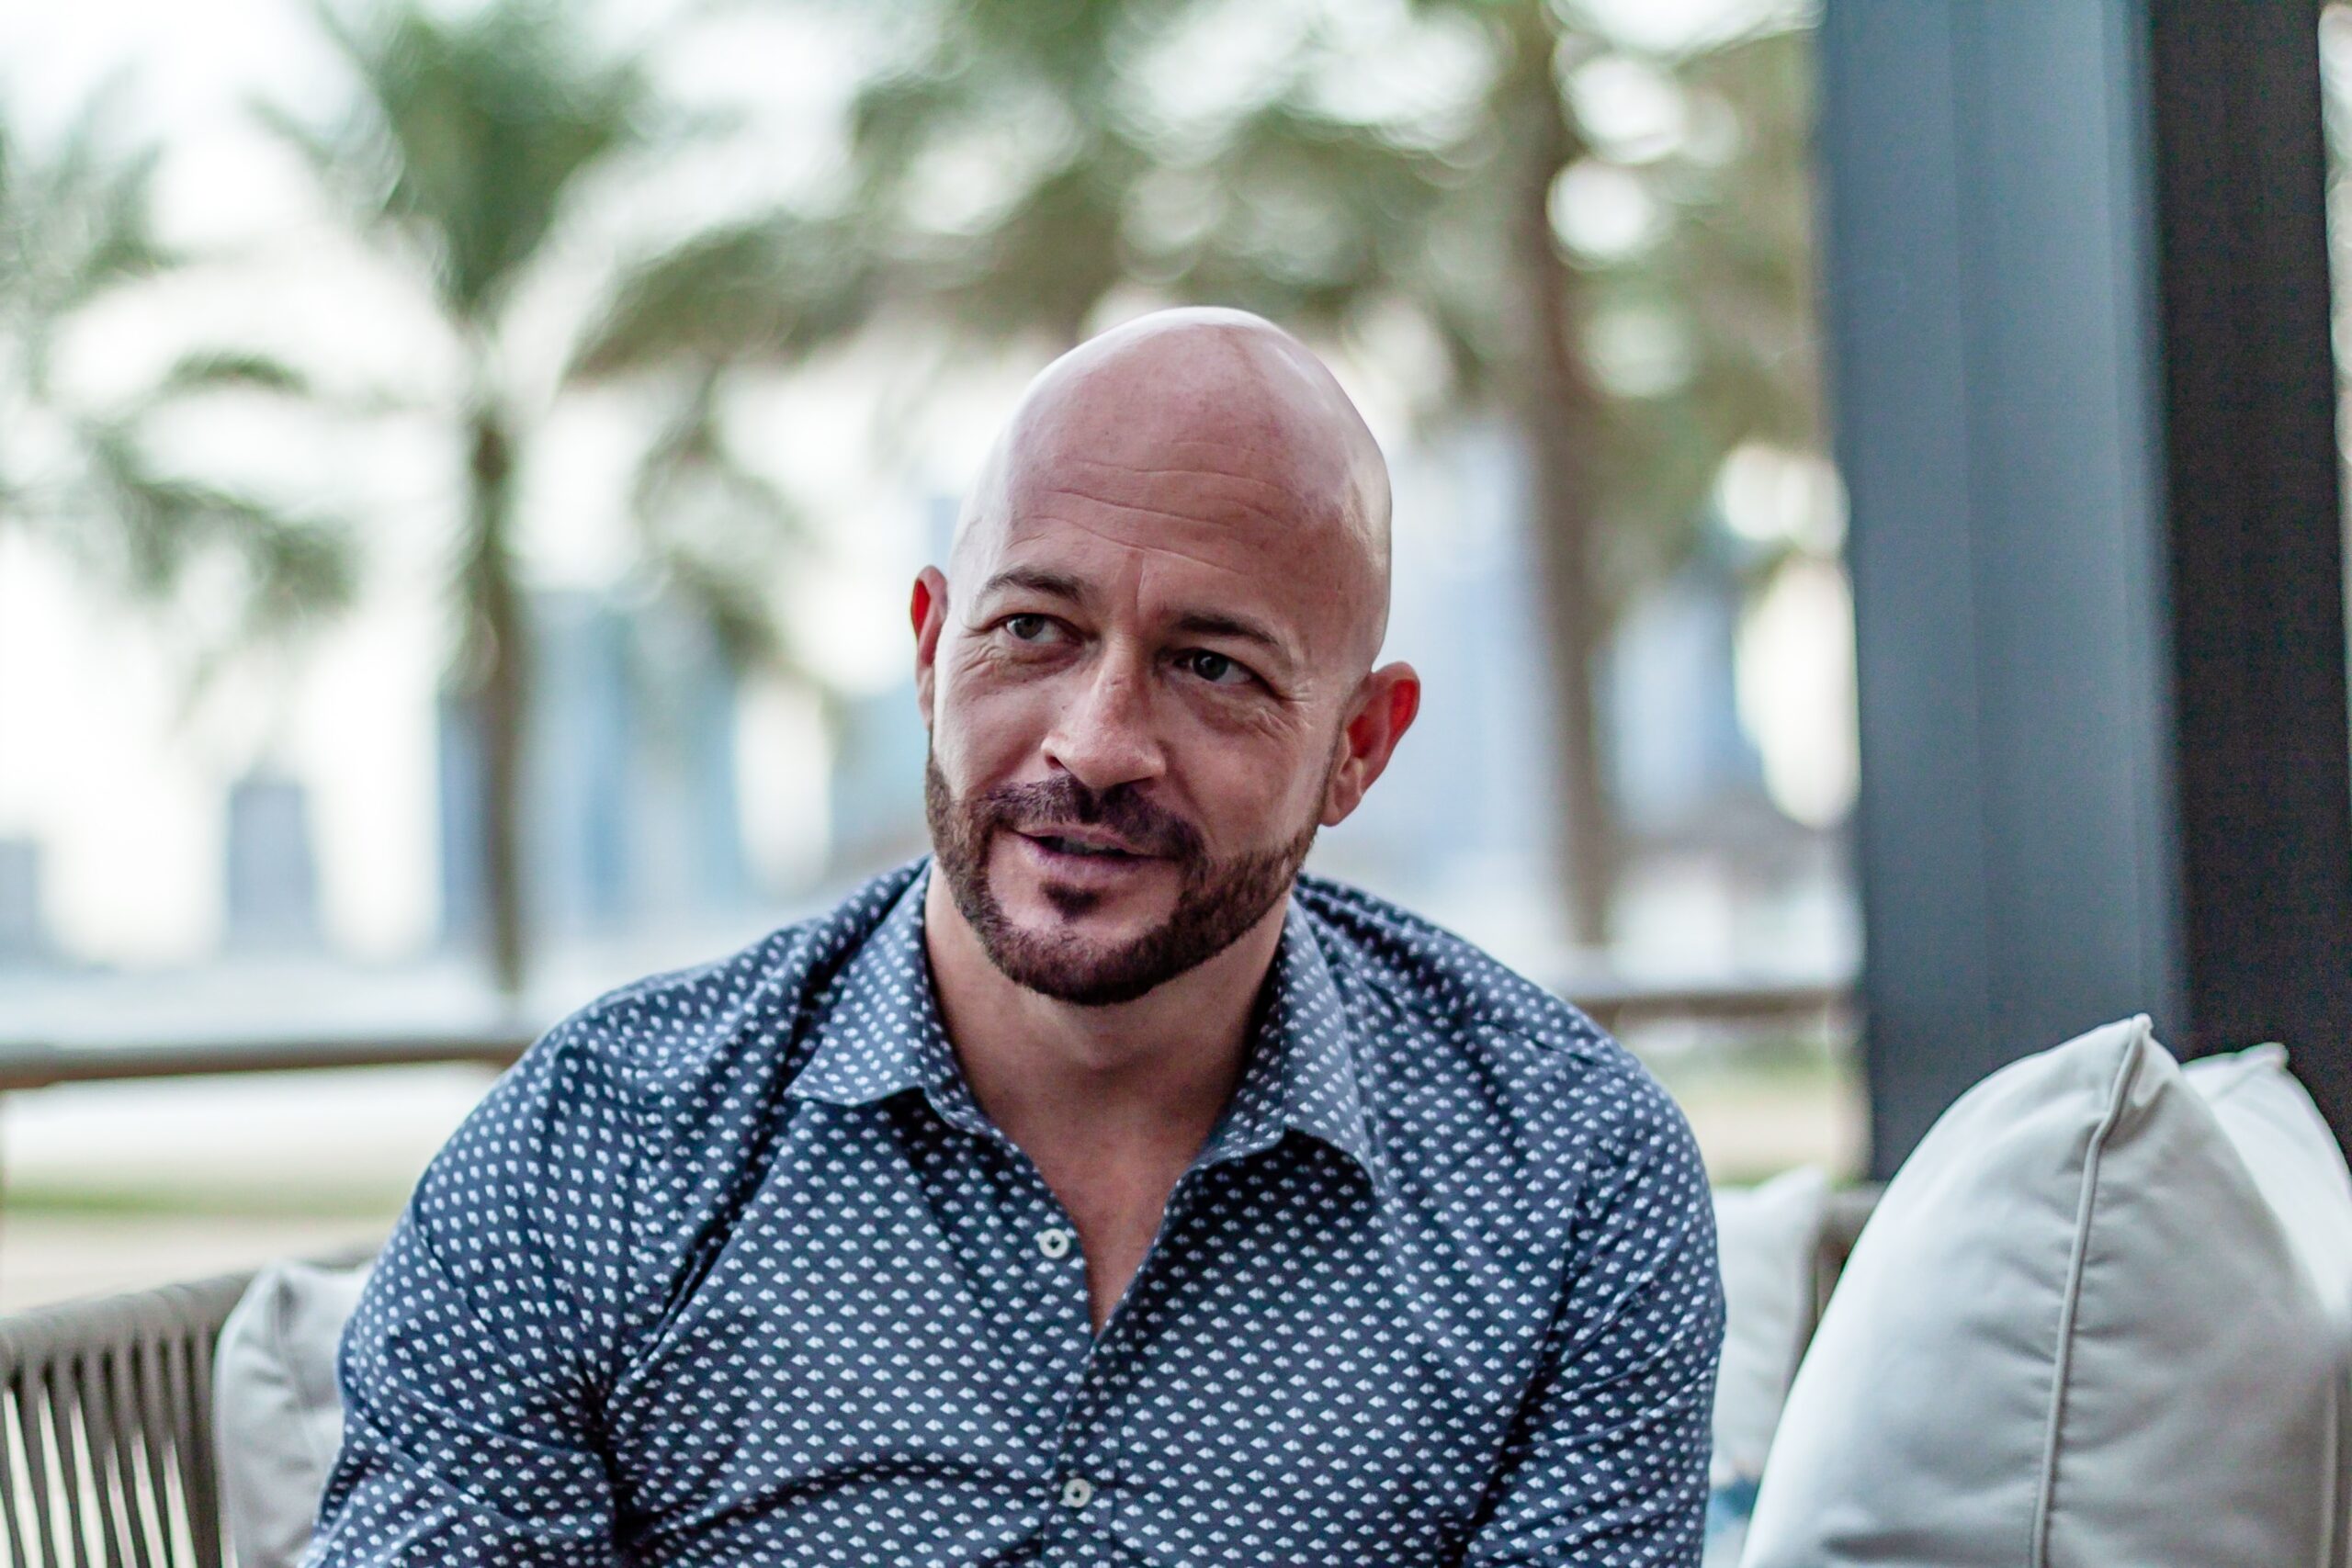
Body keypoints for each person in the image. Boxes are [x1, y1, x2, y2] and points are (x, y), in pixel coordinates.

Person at [307, 307, 1724, 1567]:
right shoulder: (599, 1150)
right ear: (931, 650)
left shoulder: (1569, 1184)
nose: (1097, 746)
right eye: (1035, 630)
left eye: (1212, 666)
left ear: (1359, 745)